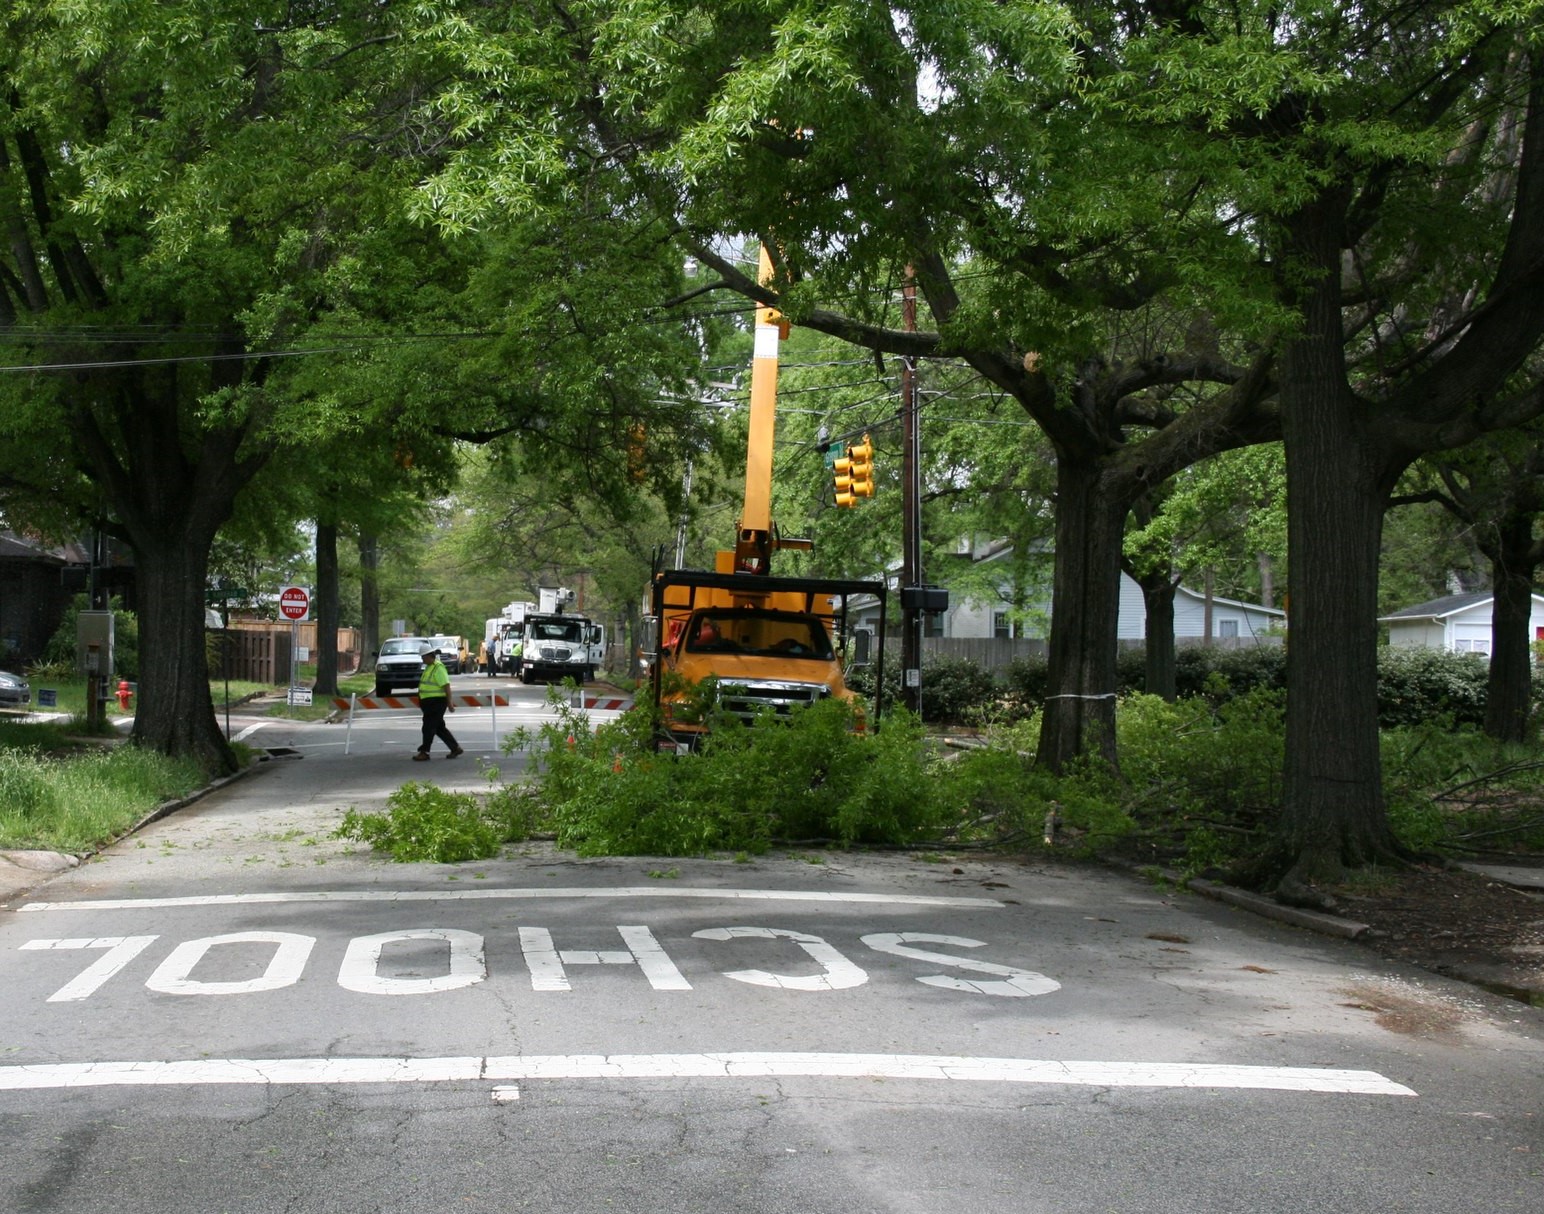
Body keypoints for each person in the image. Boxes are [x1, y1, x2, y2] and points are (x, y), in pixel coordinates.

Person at [413, 649, 462, 761]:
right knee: (439, 728)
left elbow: (446, 686)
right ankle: (455, 748)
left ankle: (424, 751)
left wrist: (450, 703)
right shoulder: (429, 667)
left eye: (423, 656)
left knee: (428, 727)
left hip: (436, 702)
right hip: (429, 702)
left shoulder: (438, 668)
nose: (422, 659)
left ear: (430, 656)